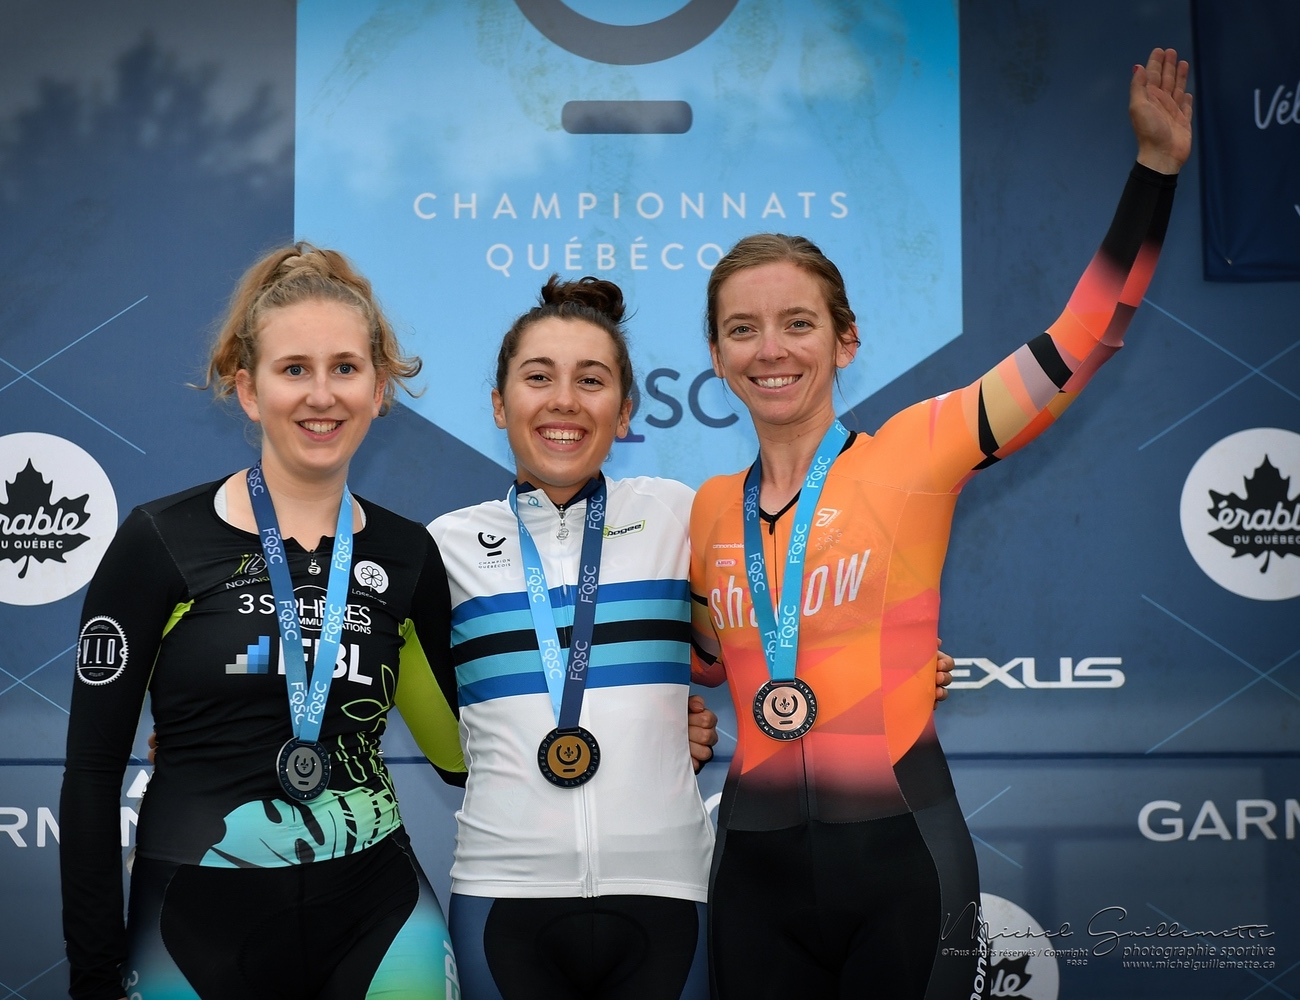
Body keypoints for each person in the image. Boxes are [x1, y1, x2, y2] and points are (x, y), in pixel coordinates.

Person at [689, 48, 1192, 998]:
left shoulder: (916, 451)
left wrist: (1155, 173)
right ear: (715, 356)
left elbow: (1082, 342)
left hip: (903, 864)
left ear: (846, 340)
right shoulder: (709, 508)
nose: (771, 349)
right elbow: (706, 657)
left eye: (799, 322)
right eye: (742, 329)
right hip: (752, 875)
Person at [428, 277, 960, 999]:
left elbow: (763, 629)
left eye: (592, 380)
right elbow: (435, 724)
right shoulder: (443, 546)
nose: (564, 401)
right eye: (538, 377)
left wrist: (884, 661)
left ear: (625, 413)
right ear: (499, 403)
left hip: (669, 889)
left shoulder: (683, 515)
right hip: (501, 890)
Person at [59, 244, 468, 1000]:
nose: (322, 395)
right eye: (294, 369)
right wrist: (92, 975)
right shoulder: (160, 541)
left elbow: (461, 755)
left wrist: (645, 717)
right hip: (195, 921)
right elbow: (90, 775)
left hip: (378, 912)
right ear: (249, 390)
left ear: (379, 388)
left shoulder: (409, 554)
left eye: (346, 368)